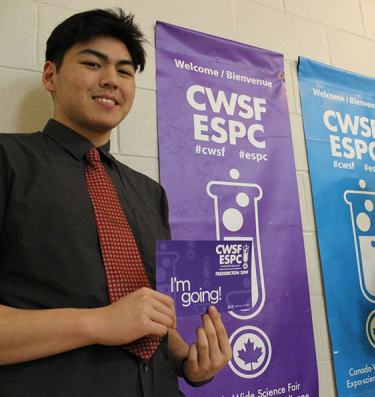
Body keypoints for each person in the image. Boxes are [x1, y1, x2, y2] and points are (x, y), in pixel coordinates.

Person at [0, 8, 231, 396]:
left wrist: (188, 362)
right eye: (93, 64)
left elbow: (152, 313)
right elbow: (116, 320)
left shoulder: (149, 192)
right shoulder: (9, 161)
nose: (111, 80)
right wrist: (98, 323)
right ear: (50, 76)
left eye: (125, 72)